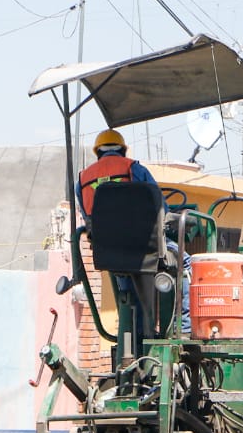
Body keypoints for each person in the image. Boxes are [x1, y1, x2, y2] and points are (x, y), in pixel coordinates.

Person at [77, 129, 190, 336]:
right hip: (143, 245)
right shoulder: (133, 168)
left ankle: (135, 337)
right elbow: (158, 203)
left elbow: (88, 216)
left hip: (109, 251)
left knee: (128, 289)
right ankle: (183, 326)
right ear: (123, 149)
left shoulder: (83, 179)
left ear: (98, 151)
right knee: (185, 262)